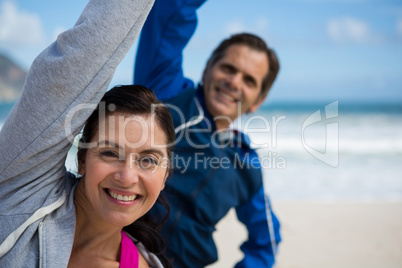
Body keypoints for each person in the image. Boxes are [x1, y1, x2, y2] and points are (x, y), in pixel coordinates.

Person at [0, 0, 175, 267]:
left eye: (148, 160)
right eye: (109, 152)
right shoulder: (24, 190)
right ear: (82, 158)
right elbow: (75, 65)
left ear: (165, 176)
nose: (126, 177)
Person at [134, 0, 281, 267]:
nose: (234, 82)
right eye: (228, 68)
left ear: (258, 100)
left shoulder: (246, 163)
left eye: (249, 80)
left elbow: (266, 241)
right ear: (207, 68)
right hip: (121, 250)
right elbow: (171, 15)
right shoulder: (167, 93)